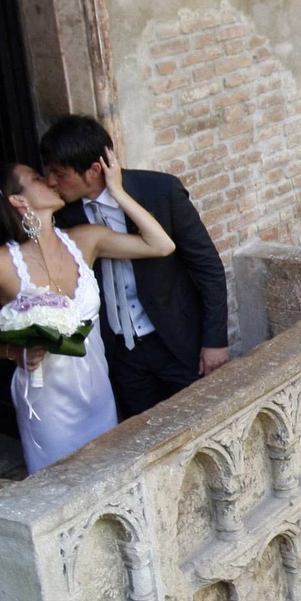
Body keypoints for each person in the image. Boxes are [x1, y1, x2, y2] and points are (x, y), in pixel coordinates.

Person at [0, 157, 178, 472]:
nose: (50, 180)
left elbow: (160, 245)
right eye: (36, 177)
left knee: (108, 473)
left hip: (96, 386)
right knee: (58, 481)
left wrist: (116, 191)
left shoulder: (86, 239)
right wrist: (12, 350)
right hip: (46, 399)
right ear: (18, 200)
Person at [38, 117, 228, 418]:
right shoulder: (63, 214)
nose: (50, 182)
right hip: (120, 355)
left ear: (95, 170)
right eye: (48, 173)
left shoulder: (160, 191)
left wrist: (215, 341)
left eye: (59, 174)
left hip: (179, 344)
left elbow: (207, 267)